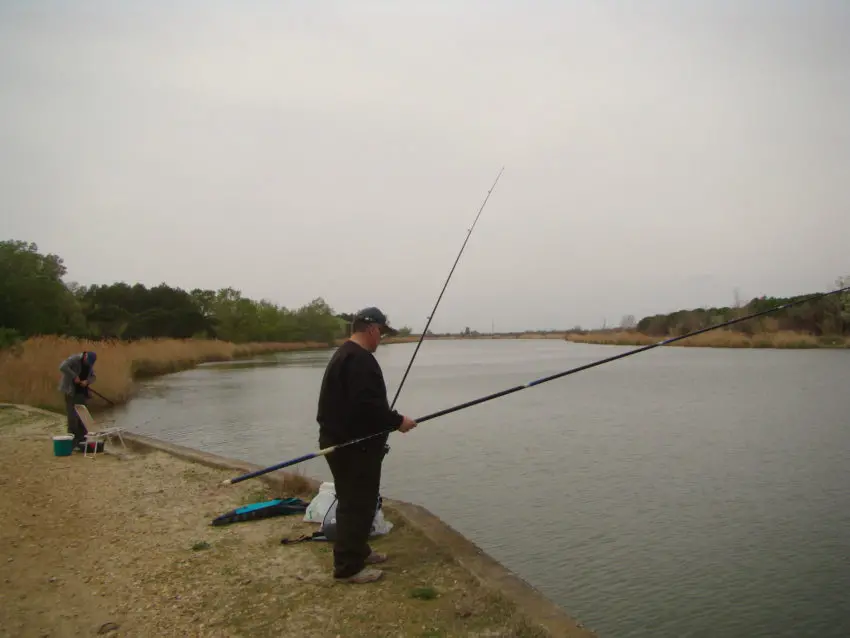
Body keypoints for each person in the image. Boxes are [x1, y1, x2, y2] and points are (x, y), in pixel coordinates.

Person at [316, 307, 417, 584]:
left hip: (346, 443)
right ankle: (348, 568)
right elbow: (368, 407)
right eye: (381, 333)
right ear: (371, 329)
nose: (381, 339)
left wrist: (388, 422)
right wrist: (399, 421)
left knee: (361, 499)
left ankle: (358, 550)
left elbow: (359, 407)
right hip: (351, 447)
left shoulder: (346, 355)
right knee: (355, 503)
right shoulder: (359, 360)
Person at [58, 350, 97, 449]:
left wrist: (87, 382)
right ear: (85, 357)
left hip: (82, 393)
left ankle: (82, 441)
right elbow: (62, 367)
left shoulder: (89, 365)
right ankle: (73, 442)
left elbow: (93, 377)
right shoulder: (74, 359)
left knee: (83, 417)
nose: (88, 364)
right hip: (70, 391)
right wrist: (74, 376)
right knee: (72, 417)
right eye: (87, 362)